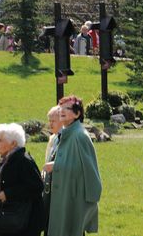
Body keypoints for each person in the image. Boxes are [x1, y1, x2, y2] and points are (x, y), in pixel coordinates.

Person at [46, 96, 102, 236]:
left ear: (77, 114)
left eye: (67, 108)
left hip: (72, 197)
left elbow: (88, 170)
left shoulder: (79, 135)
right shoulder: (67, 133)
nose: (62, 111)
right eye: (60, 108)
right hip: (63, 193)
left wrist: (56, 165)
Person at [0, 123, 44, 236]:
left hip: (24, 222)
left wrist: (8, 193)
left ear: (13, 144)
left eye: (0, 140)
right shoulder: (5, 159)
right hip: (10, 220)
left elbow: (37, 187)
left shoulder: (23, 160)